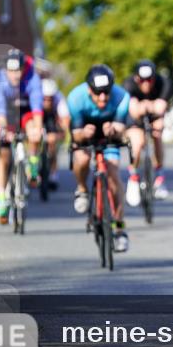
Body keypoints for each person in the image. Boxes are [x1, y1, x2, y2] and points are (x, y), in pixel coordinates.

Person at [67, 64, 131, 253]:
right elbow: (76, 134)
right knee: (82, 159)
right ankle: (82, 190)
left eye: (106, 92)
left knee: (113, 175)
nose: (102, 97)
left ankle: (119, 228)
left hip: (109, 132)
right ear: (89, 90)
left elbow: (121, 130)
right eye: (97, 93)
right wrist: (83, 134)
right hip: (84, 129)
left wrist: (114, 130)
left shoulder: (122, 96)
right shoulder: (75, 98)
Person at [0, 48, 43, 224]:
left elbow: (37, 107)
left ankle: (32, 165)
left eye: (18, 70)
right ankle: (2, 201)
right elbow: (0, 110)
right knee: (3, 156)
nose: (15, 75)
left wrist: (37, 130)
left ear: (23, 68)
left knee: (35, 130)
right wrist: (4, 131)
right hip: (6, 115)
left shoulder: (32, 77)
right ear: (5, 69)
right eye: (11, 71)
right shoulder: (0, 80)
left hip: (25, 111)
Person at [123, 59, 170, 205]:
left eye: (149, 80)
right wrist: (150, 105)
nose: (146, 84)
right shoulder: (128, 84)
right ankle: (133, 178)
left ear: (154, 78)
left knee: (157, 133)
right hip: (134, 119)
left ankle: (159, 176)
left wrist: (144, 105)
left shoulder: (163, 83)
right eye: (142, 80)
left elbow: (161, 108)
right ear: (136, 78)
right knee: (137, 144)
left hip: (154, 116)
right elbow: (134, 111)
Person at [41, 79, 71, 190]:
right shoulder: (35, 99)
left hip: (52, 121)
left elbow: (65, 120)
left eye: (50, 99)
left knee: (53, 145)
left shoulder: (59, 100)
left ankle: (53, 173)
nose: (47, 102)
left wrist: (61, 134)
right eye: (44, 99)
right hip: (39, 117)